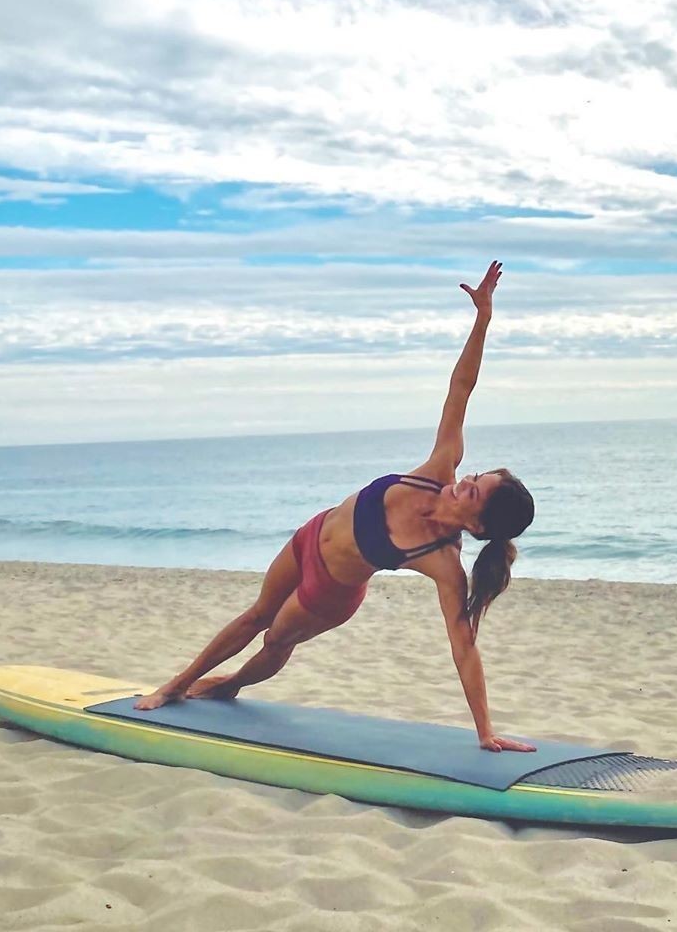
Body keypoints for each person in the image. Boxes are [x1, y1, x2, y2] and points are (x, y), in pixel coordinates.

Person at [135, 261, 537, 752]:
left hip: (330, 590)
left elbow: (464, 648)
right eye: (474, 477)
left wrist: (485, 731)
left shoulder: (442, 562)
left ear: (477, 526)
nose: (463, 483)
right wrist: (483, 319)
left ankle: (233, 684)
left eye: (472, 492)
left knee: (275, 641)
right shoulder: (440, 466)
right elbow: (461, 387)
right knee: (256, 614)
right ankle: (176, 685)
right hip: (311, 535)